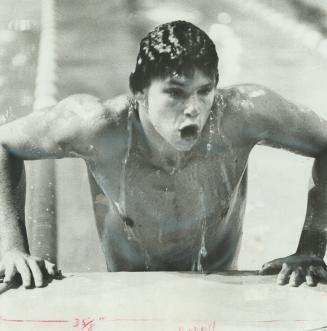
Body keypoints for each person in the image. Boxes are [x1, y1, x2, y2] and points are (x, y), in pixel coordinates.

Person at [0, 20, 326, 289]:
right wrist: (13, 249)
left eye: (204, 91)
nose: (193, 110)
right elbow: (4, 144)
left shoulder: (243, 117)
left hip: (219, 295)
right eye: (175, 92)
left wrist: (312, 248)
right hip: (130, 295)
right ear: (140, 90)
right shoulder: (98, 128)